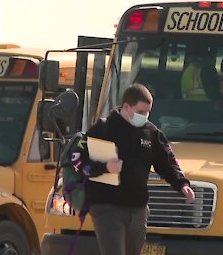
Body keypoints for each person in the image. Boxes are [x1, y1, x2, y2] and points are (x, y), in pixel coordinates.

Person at [73, 83, 195, 255]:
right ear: (126, 107)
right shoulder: (102, 129)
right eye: (140, 112)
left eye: (147, 112)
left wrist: (182, 184)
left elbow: (167, 163)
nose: (144, 116)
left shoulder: (151, 133)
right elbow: (77, 159)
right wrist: (104, 167)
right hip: (107, 207)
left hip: (138, 209)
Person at [180, 47, 223, 112]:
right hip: (206, 109)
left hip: (188, 110)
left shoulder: (188, 70)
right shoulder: (207, 69)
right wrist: (220, 100)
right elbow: (213, 91)